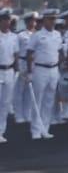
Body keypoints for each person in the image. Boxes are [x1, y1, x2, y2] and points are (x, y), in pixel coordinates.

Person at [26, 8, 63, 140]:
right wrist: (29, 71)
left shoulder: (57, 35)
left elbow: (59, 52)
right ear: (45, 20)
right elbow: (29, 53)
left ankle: (45, 128)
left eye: (54, 19)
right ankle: (35, 129)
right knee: (38, 100)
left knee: (49, 101)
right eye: (50, 19)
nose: (53, 21)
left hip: (53, 70)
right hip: (40, 69)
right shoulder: (37, 35)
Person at [13, 11, 37, 125]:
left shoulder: (37, 34)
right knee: (19, 90)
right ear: (27, 22)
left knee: (29, 91)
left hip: (34, 63)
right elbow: (16, 52)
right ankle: (18, 114)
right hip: (22, 62)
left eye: (34, 20)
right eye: (31, 20)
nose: (34, 22)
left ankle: (27, 113)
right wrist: (16, 66)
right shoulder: (21, 35)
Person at [0, 9, 17, 144]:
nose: (6, 22)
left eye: (8, 20)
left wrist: (17, 70)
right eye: (4, 20)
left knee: (5, 103)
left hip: (9, 71)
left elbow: (16, 55)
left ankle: (1, 131)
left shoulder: (14, 37)